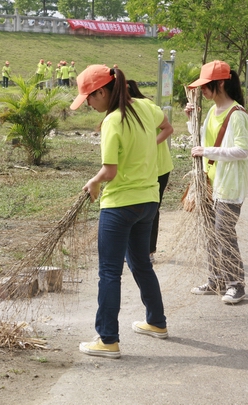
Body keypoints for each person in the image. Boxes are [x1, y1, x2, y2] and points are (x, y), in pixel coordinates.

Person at [71, 64, 168, 359]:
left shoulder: (112, 121)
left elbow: (110, 171)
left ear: (102, 91)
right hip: (148, 201)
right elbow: (166, 127)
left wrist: (94, 181)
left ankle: (108, 339)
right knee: (141, 264)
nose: (88, 103)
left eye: (89, 97)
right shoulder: (146, 107)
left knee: (110, 272)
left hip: (120, 206)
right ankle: (156, 322)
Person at [187, 60, 248, 304]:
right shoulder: (211, 112)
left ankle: (236, 283)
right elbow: (201, 144)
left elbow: (242, 151)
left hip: (229, 185)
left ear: (221, 83)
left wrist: (207, 152)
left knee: (224, 234)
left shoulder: (238, 114)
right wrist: (191, 120)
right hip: (209, 183)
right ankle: (215, 279)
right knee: (210, 235)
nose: (202, 91)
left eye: (206, 86)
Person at [126, 80, 174, 264]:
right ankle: (135, 249)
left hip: (159, 168)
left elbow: (168, 128)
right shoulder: (125, 112)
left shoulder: (147, 106)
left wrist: (150, 144)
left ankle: (149, 251)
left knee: (153, 210)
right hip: (143, 168)